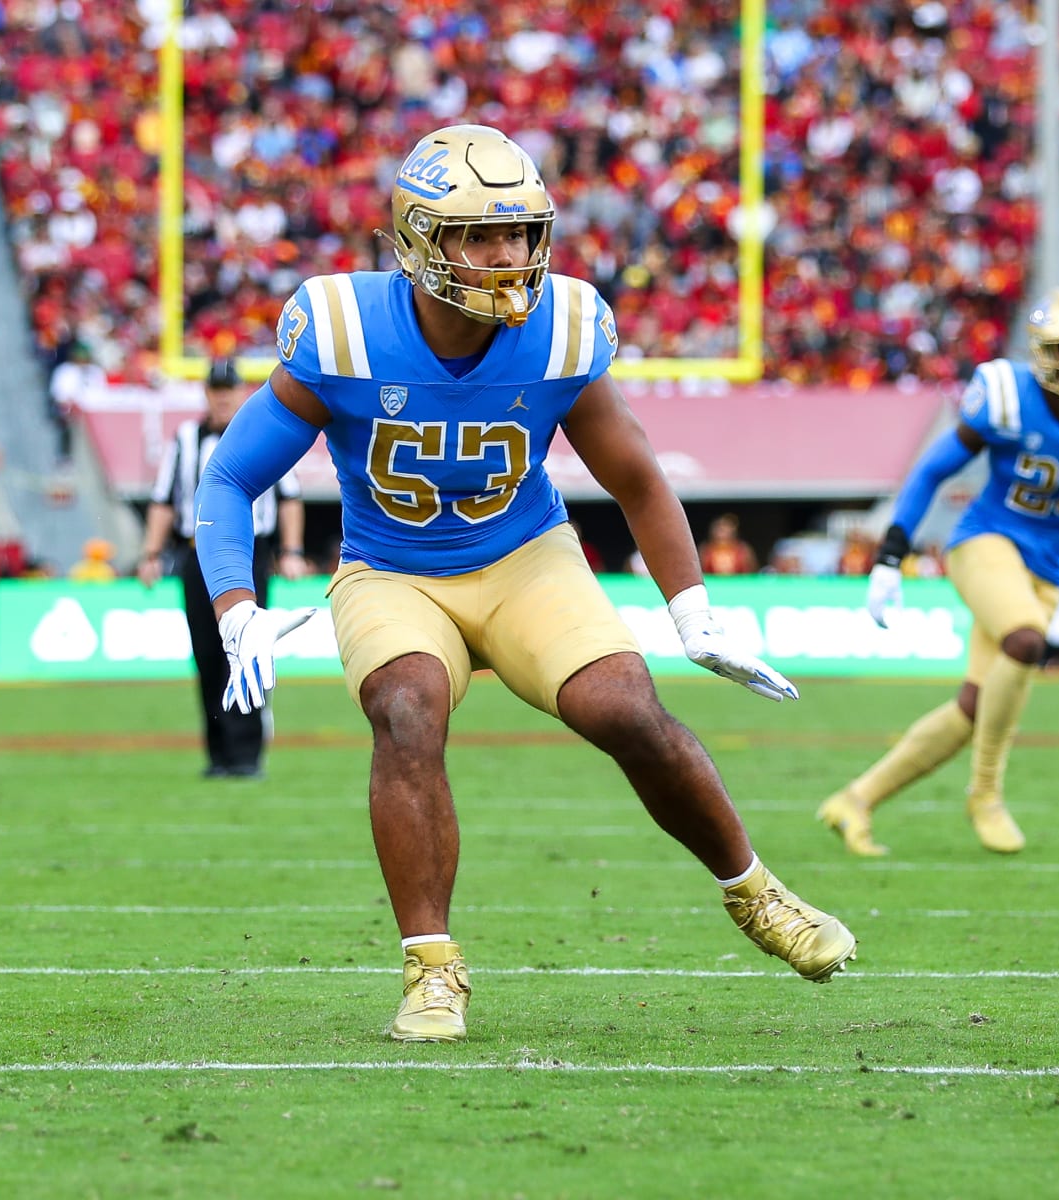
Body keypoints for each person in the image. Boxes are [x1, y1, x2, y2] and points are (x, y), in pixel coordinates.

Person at [192, 124, 856, 1043]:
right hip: (391, 567)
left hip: (526, 556)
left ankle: (757, 894)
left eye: (521, 232)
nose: (509, 255)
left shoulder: (561, 327)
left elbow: (637, 478)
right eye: (481, 235)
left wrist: (694, 612)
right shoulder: (345, 330)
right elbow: (230, 476)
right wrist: (235, 609)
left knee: (626, 708)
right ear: (418, 239)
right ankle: (432, 970)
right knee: (407, 709)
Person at [818, 286, 1059, 857]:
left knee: (974, 707)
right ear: (1041, 351)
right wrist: (890, 555)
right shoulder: (1007, 395)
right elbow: (932, 471)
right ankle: (985, 794)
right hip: (986, 543)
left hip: (1048, 566)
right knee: (1026, 639)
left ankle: (856, 800)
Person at [138, 356, 310, 780]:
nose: (222, 398)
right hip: (197, 552)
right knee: (206, 652)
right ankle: (217, 753)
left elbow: (289, 497)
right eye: (215, 390)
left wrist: (291, 550)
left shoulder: (261, 434)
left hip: (249, 551)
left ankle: (247, 754)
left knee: (247, 643)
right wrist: (150, 554)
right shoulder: (186, 439)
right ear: (206, 394)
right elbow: (164, 500)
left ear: (240, 392)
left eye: (228, 389)